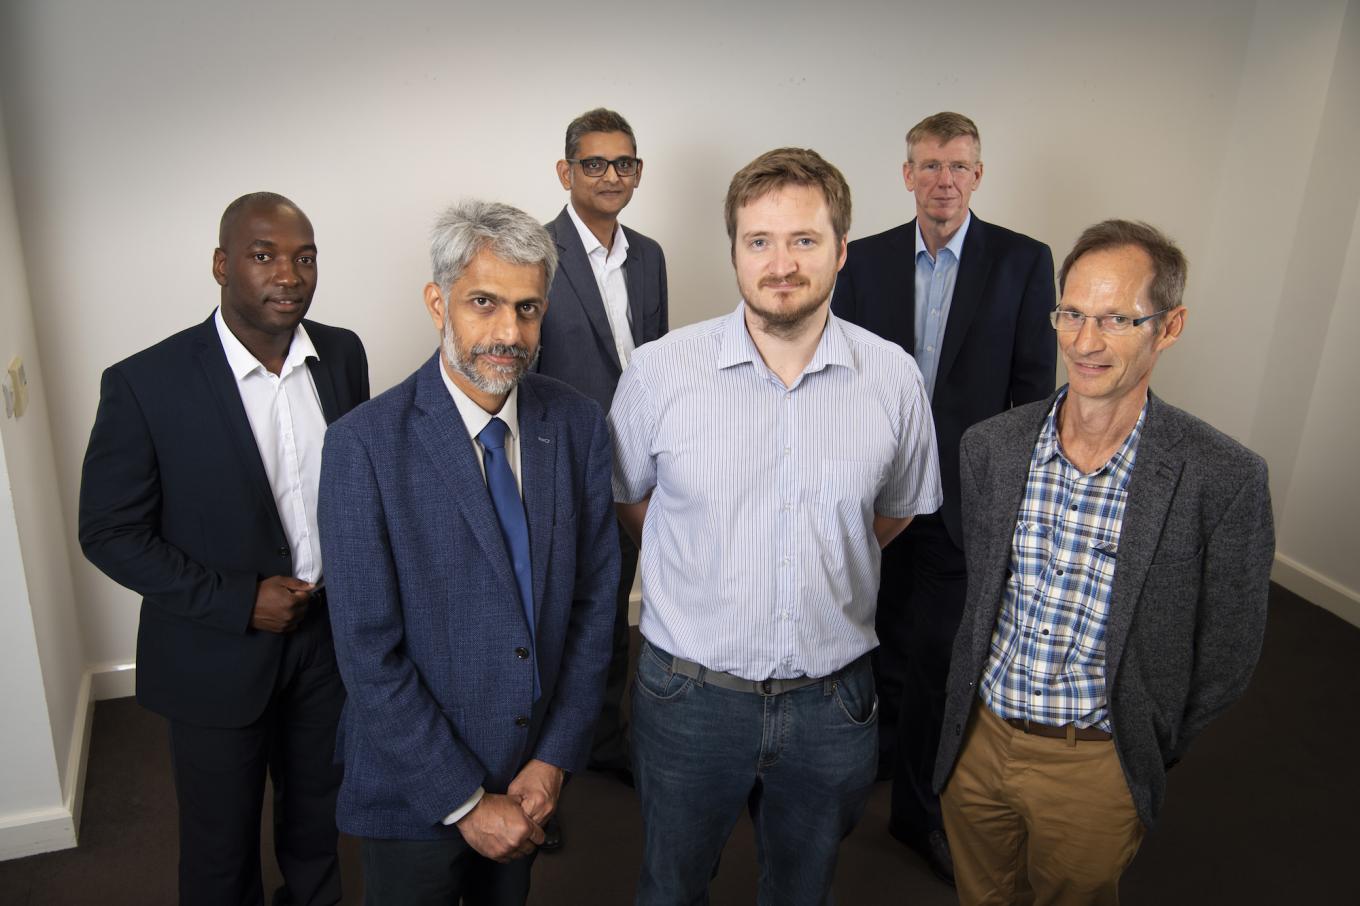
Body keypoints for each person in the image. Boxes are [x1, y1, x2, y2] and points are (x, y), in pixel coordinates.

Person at [611, 147, 942, 906]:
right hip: (688, 697)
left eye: (804, 240)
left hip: (832, 703)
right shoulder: (660, 373)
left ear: (841, 251)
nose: (781, 262)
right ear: (733, 250)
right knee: (670, 888)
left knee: (802, 892)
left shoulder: (893, 376)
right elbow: (632, 501)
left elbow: (891, 513)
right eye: (759, 241)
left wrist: (827, 547)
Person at [934, 220, 1274, 906]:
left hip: (1093, 764)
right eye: (1073, 314)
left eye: (1116, 319)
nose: (1085, 344)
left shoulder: (1222, 476)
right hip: (977, 741)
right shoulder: (990, 448)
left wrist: (1141, 738)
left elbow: (1229, 650)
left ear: (1169, 326)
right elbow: (981, 584)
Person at [317, 199, 617, 905]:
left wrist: (553, 758)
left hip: (528, 778)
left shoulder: (575, 426)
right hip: (412, 788)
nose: (508, 333)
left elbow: (594, 606)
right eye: (483, 303)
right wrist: (463, 802)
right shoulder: (363, 446)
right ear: (437, 302)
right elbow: (367, 651)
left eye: (528, 308)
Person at [78, 192, 369, 906]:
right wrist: (241, 601)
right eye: (264, 255)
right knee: (219, 851)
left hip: (327, 643)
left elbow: (359, 489)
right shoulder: (146, 384)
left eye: (305, 258)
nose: (289, 275)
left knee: (317, 823)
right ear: (221, 265)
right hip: (214, 653)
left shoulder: (341, 353)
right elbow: (108, 532)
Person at [830, 110, 1056, 882]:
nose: (942, 181)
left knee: (937, 658)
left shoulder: (1025, 262)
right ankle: (870, 765)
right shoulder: (860, 260)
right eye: (928, 165)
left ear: (979, 176)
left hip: (964, 501)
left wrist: (1010, 497)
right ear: (906, 176)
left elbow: (1032, 395)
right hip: (878, 497)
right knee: (869, 641)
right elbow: (840, 380)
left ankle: (916, 813)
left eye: (957, 166)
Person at [539, 107, 669, 797]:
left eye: (624, 163)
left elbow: (657, 364)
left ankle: (604, 742)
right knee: (552, 619)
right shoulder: (534, 251)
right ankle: (539, 768)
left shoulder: (649, 256)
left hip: (635, 464)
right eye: (595, 163)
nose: (611, 175)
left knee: (615, 607)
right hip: (558, 465)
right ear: (566, 172)